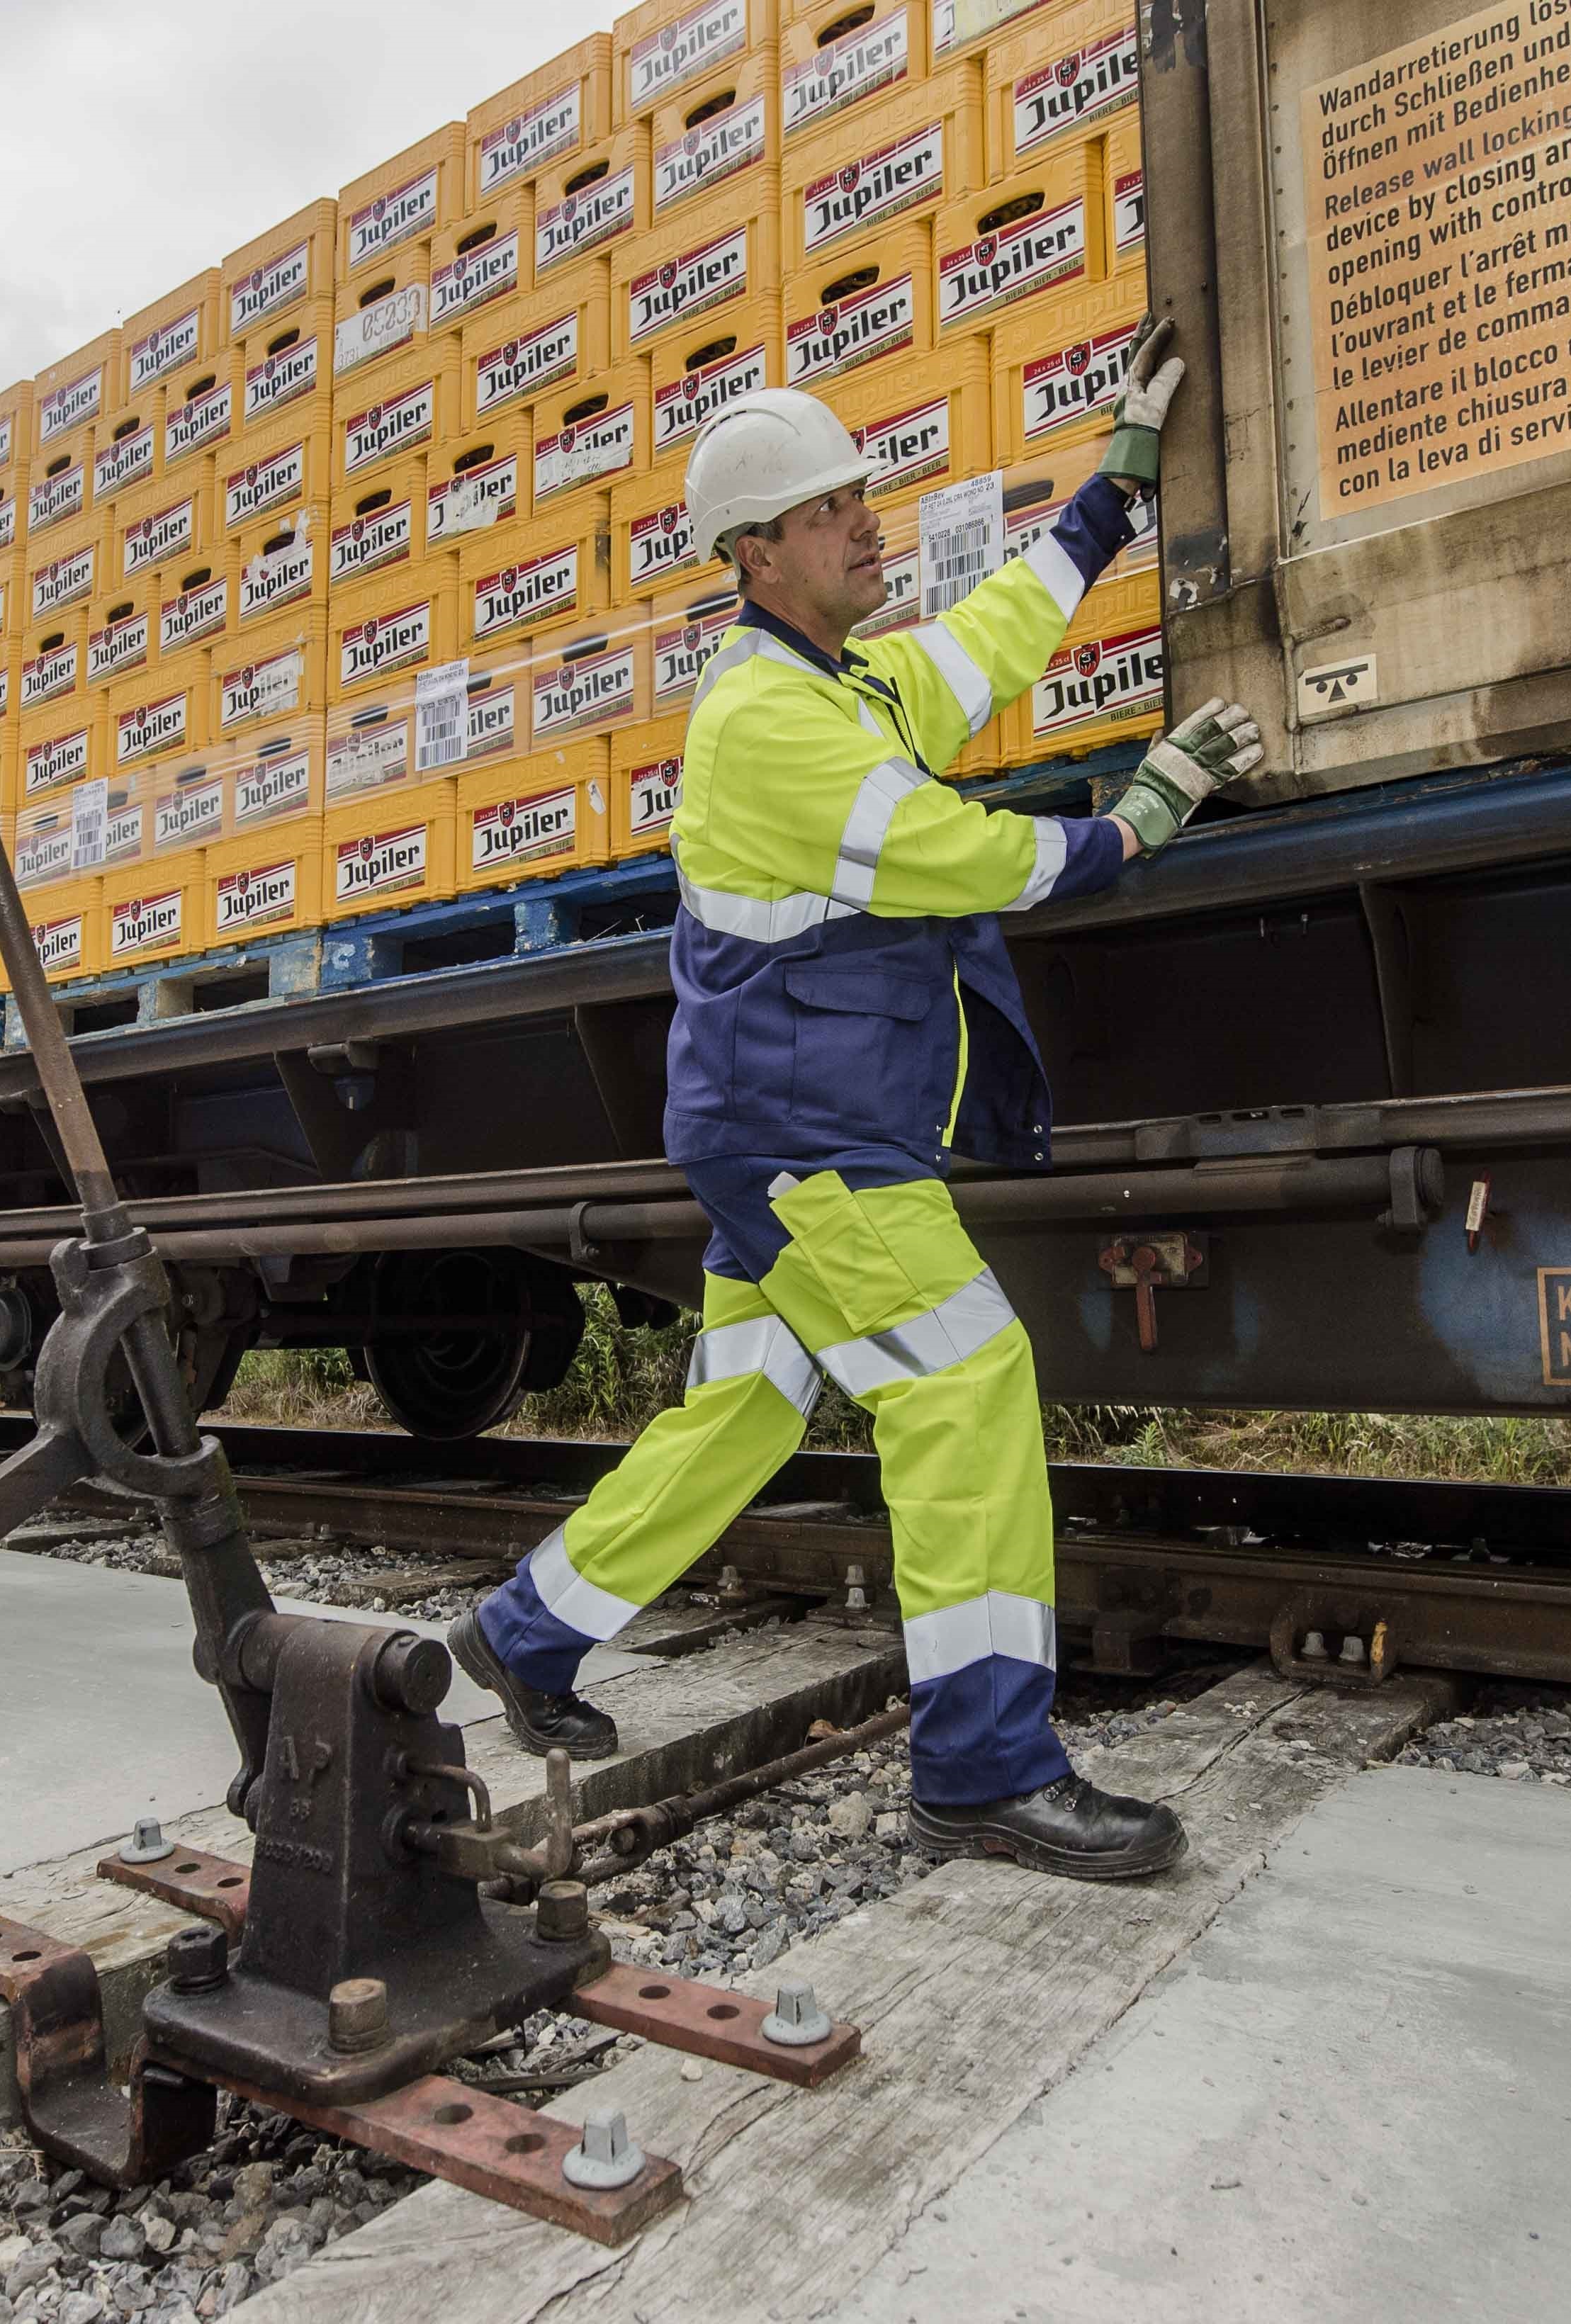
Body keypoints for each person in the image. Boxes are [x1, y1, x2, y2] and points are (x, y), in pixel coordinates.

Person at [451, 330, 1263, 1880]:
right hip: (813, 1138)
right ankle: (982, 1765)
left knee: (749, 1405)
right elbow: (957, 852)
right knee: (963, 1383)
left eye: (861, 499)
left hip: (778, 1122)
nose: (868, 524)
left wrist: (1115, 485)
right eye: (833, 511)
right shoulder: (768, 728)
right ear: (756, 553)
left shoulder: (852, 684)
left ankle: (525, 1630)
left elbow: (993, 640)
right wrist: (1134, 821)